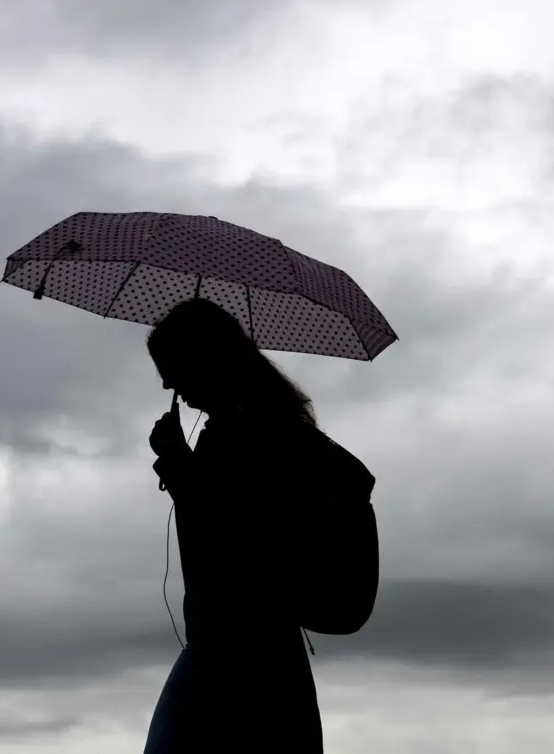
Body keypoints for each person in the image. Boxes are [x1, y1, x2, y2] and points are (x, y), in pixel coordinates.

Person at [142, 298, 379, 753]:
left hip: (236, 654)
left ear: (205, 362)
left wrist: (176, 461)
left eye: (171, 367)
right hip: (259, 652)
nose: (169, 383)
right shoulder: (259, 430)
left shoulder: (249, 437)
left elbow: (229, 535)